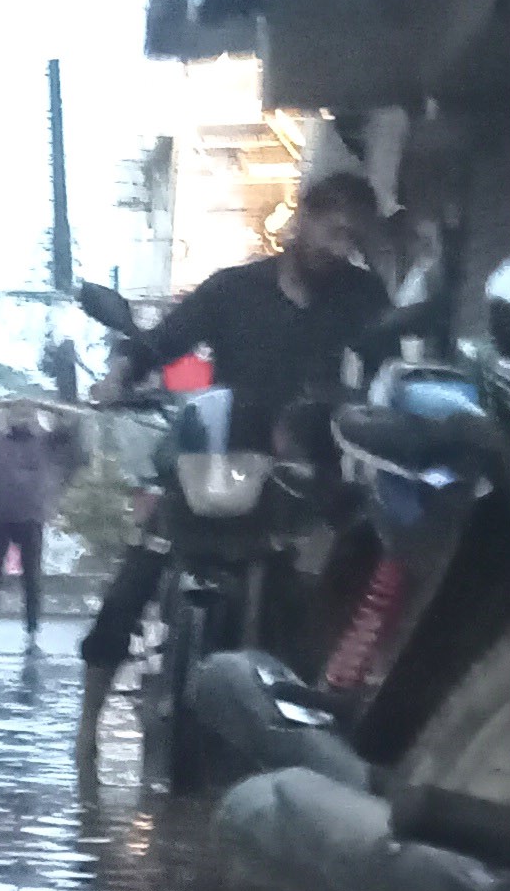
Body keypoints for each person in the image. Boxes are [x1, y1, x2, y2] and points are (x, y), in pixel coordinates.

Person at [76, 171, 395, 760]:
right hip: (218, 461)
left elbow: (388, 370)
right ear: (301, 218)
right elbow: (161, 343)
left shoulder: (364, 297)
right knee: (135, 581)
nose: (338, 245)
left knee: (342, 587)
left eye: (352, 235)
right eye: (331, 227)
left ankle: (332, 731)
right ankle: (86, 731)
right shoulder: (232, 289)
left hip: (307, 473)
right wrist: (119, 376)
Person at [0, 399, 85, 641]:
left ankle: (32, 629)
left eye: (26, 413)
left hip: (31, 517)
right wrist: (7, 401)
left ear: (34, 417)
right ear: (8, 416)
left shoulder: (47, 442)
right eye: (16, 413)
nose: (21, 417)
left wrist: (40, 404)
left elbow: (77, 416)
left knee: (31, 576)